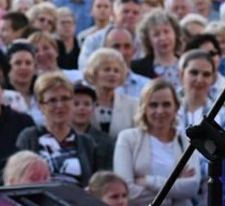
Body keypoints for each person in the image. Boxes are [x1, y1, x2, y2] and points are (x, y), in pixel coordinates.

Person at [113, 78, 200, 206]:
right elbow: (127, 192)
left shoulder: (186, 141)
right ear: (144, 108)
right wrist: (173, 197)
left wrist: (148, 181)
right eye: (153, 105)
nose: (160, 111)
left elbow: (192, 187)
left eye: (166, 104)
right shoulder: (127, 138)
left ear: (176, 107)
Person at [15, 71, 100, 186]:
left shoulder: (87, 143)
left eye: (65, 99)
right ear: (41, 106)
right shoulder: (29, 137)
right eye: (52, 100)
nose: (59, 105)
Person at [83, 48, 139, 138]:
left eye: (116, 71)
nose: (112, 74)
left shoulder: (132, 105)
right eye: (107, 69)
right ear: (94, 73)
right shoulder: (81, 102)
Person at [131, 10, 182, 89]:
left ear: (175, 33)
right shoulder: (137, 68)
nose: (163, 38)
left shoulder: (186, 64)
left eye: (166, 32)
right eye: (156, 34)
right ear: (148, 40)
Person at [71, 83, 115, 169]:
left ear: (94, 107)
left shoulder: (106, 142)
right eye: (76, 104)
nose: (81, 108)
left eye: (87, 104)